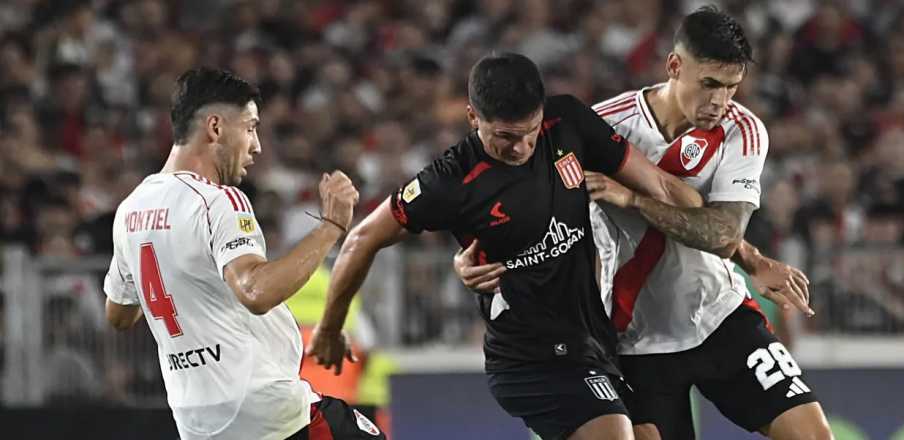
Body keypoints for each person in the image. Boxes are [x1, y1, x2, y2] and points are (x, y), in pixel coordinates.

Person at [456, 7, 832, 440]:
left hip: (720, 318)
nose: (720, 102)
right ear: (674, 66)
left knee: (815, 435)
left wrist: (633, 199)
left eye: (731, 87)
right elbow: (516, 201)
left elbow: (724, 233)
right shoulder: (603, 123)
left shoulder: (743, 131)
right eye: (709, 84)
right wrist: (469, 258)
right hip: (630, 342)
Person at [305, 52, 708, 440]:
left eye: (528, 132)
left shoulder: (566, 120)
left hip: (592, 340)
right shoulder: (451, 180)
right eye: (503, 136)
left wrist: (713, 222)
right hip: (529, 356)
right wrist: (329, 326)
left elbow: (656, 183)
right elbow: (362, 238)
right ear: (472, 117)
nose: (519, 148)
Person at [102, 68, 384, 440]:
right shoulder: (218, 200)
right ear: (215, 127)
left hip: (198, 424)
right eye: (250, 128)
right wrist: (331, 225)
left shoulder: (130, 210)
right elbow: (256, 292)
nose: (257, 145)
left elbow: (119, 315)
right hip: (266, 410)